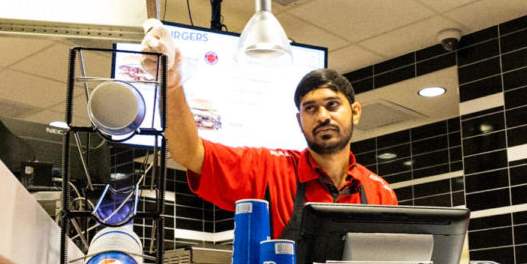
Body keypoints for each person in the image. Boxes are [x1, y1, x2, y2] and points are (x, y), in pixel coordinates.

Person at [140, 19, 397, 238]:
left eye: (332, 105)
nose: (322, 116)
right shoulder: (269, 169)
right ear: (299, 121)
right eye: (310, 108)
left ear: (355, 112)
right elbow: (190, 154)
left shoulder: (380, 192)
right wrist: (172, 84)